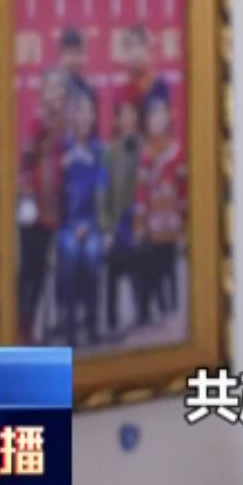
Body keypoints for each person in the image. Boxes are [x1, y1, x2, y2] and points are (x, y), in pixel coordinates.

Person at [15, 68, 67, 343]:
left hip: (54, 209)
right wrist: (27, 200)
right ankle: (21, 327)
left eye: (60, 89)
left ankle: (40, 326)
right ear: (43, 92)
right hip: (33, 210)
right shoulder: (36, 123)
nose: (55, 94)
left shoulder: (64, 126)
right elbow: (24, 165)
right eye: (51, 88)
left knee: (45, 272)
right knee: (29, 271)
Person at [55, 88, 108, 347]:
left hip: (92, 224)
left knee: (91, 254)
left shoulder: (99, 151)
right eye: (80, 111)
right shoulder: (62, 148)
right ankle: (69, 326)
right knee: (70, 254)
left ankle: (92, 323)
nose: (85, 117)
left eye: (89, 112)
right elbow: (55, 192)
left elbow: (102, 192)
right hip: (66, 225)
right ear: (72, 117)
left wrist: (92, 225)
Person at [136, 95, 187, 320]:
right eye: (152, 115)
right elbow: (140, 190)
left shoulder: (176, 151)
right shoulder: (144, 153)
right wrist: (140, 222)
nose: (157, 120)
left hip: (172, 220)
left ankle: (169, 306)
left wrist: (185, 223)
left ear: (168, 118)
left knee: (167, 258)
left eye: (160, 114)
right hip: (151, 220)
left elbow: (183, 188)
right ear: (146, 121)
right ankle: (152, 307)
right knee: (148, 257)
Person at [101, 98, 144, 335]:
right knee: (114, 265)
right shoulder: (109, 152)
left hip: (139, 220)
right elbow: (103, 193)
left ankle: (142, 316)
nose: (128, 119)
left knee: (139, 258)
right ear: (116, 120)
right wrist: (107, 226)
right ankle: (111, 320)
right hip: (117, 223)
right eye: (123, 114)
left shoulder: (143, 148)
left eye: (132, 113)